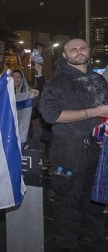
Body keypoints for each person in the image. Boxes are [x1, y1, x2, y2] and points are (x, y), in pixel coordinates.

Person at [39, 38, 108, 251]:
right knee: (67, 199)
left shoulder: (97, 78)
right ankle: (67, 244)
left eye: (83, 48)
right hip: (69, 148)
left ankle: (93, 237)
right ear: (65, 55)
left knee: (93, 195)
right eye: (73, 49)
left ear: (89, 51)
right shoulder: (57, 83)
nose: (79, 52)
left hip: (97, 147)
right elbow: (50, 115)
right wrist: (93, 112)